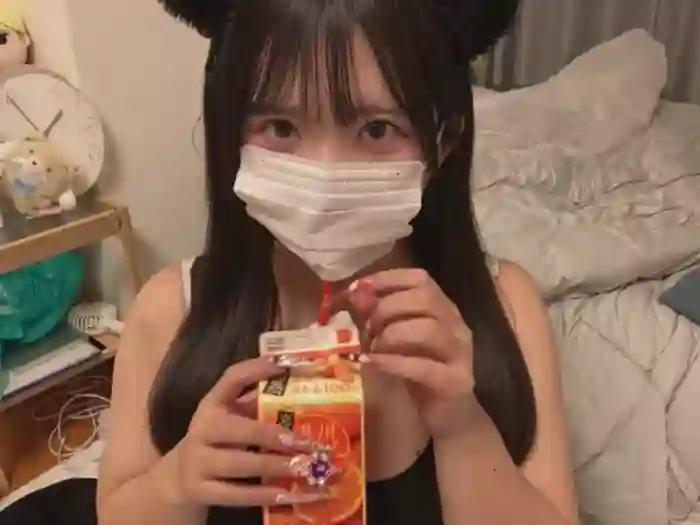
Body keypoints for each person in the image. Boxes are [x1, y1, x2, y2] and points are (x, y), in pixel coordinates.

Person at [97, 1, 579, 524]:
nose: (324, 176)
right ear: (229, 133)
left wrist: (462, 427)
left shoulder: (508, 306)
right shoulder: (169, 310)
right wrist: (177, 483)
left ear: (444, 141)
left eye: (377, 130)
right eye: (280, 126)